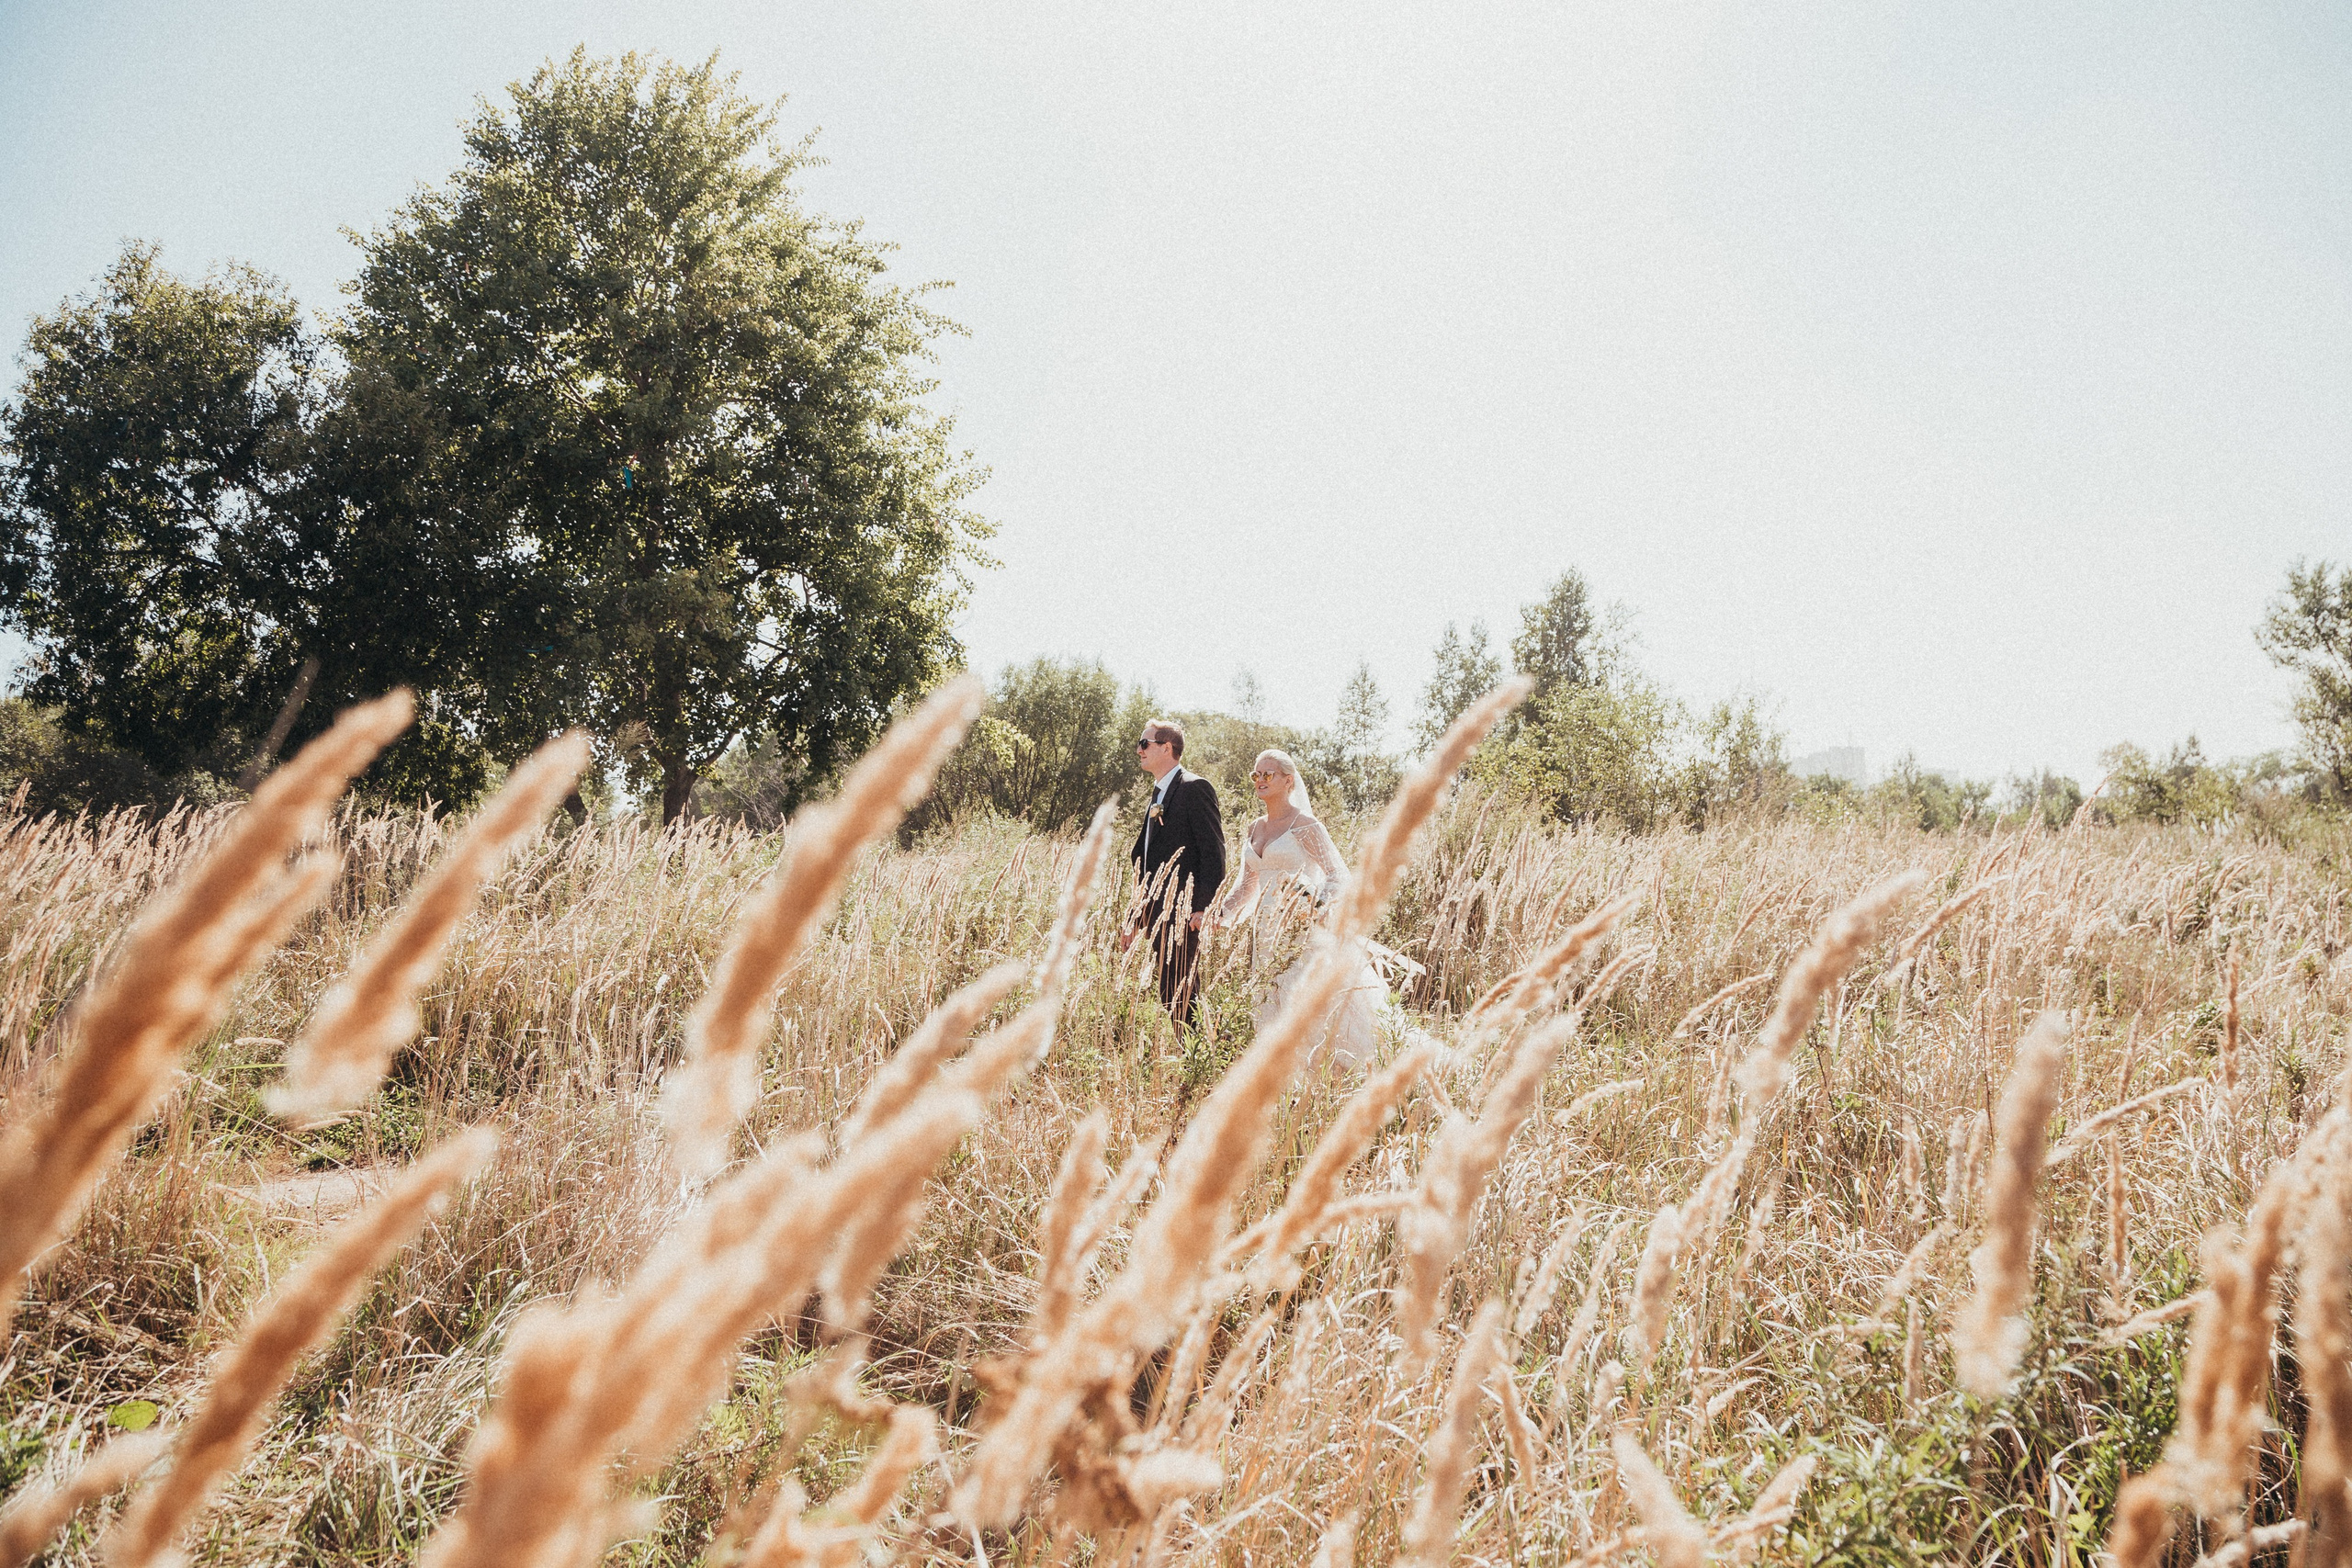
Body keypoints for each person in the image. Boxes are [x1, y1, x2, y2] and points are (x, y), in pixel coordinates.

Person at [1207, 748, 1427, 1072]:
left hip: (1300, 929)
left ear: (1288, 781)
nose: (1259, 780)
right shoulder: (1255, 827)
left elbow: (1338, 874)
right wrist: (1220, 914)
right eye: (1256, 774)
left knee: (1309, 1002)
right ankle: (1286, 1080)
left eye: (1268, 774)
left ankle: (1346, 1070)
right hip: (1265, 933)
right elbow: (1247, 884)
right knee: (1272, 1001)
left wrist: (1315, 904)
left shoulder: (1305, 825)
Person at [1119, 718, 1226, 1030]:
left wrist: (1203, 907)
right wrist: (1136, 916)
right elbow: (1147, 861)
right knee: (1170, 993)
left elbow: (1214, 853)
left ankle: (1202, 1053)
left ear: (1167, 748)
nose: (1139, 750)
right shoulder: (1159, 794)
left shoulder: (1194, 788)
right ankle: (1193, 1052)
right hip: (1156, 912)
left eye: (1145, 744)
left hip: (1183, 913)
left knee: (1181, 994)